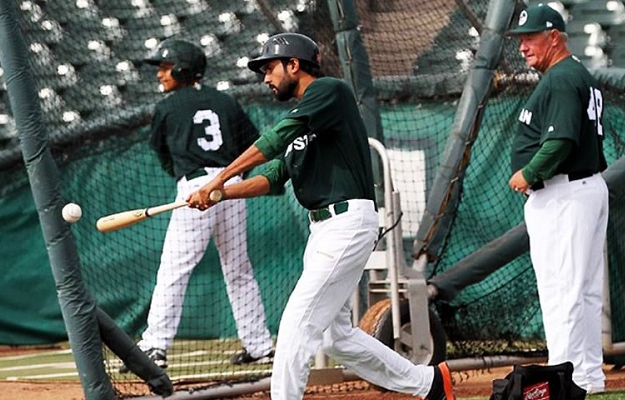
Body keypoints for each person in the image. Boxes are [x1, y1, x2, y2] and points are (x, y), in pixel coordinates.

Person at [187, 32, 454, 400]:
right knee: (336, 336)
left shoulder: (330, 92)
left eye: (270, 68)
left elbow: (276, 138)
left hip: (346, 222)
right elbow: (274, 174)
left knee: (297, 323)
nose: (266, 77)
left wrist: (219, 176)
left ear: (293, 65)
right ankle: (429, 384)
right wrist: (220, 194)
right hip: (323, 230)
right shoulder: (304, 122)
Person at [123, 38, 274, 371]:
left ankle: (155, 347)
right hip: (231, 186)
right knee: (239, 269)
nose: (160, 74)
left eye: (164, 67)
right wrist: (232, 179)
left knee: (174, 269)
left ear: (182, 68)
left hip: (195, 188)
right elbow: (252, 146)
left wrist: (187, 181)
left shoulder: (167, 107)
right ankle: (260, 346)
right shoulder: (225, 100)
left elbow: (164, 154)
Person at [506, 4, 609, 394]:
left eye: (530, 38)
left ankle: (562, 383)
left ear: (554, 37)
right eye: (520, 40)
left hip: (565, 192)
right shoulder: (574, 73)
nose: (523, 47)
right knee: (581, 291)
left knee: (563, 291)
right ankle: (583, 377)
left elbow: (561, 140)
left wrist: (529, 173)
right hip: (581, 190)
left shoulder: (563, 77)